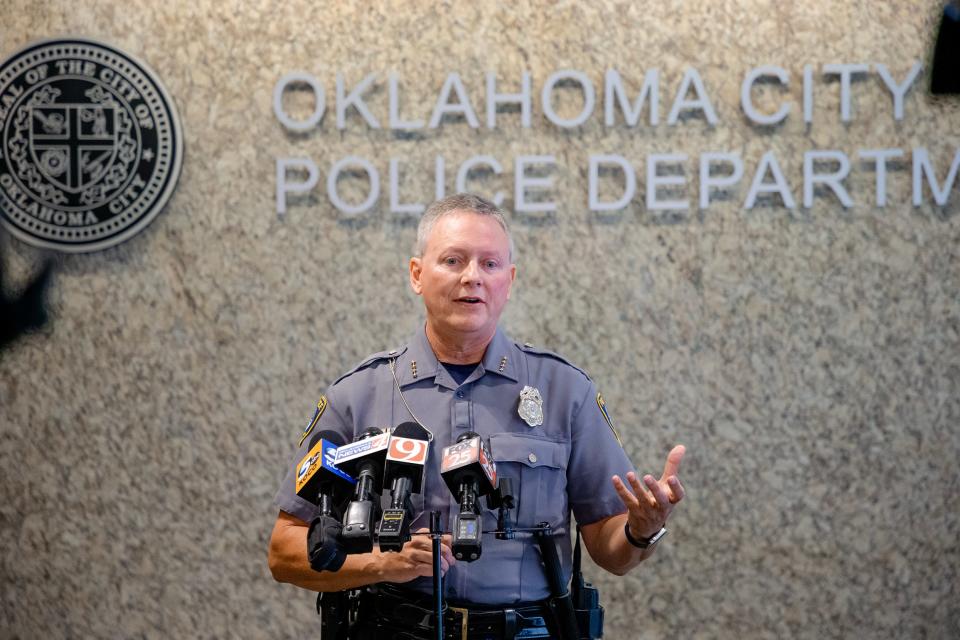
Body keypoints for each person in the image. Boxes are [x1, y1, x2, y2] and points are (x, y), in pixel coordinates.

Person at [268, 193, 686, 639]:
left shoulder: (565, 391)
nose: (472, 278)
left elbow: (612, 550)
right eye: (453, 260)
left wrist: (641, 531)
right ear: (416, 274)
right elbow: (284, 550)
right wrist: (381, 563)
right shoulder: (358, 394)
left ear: (510, 279)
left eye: (490, 264)